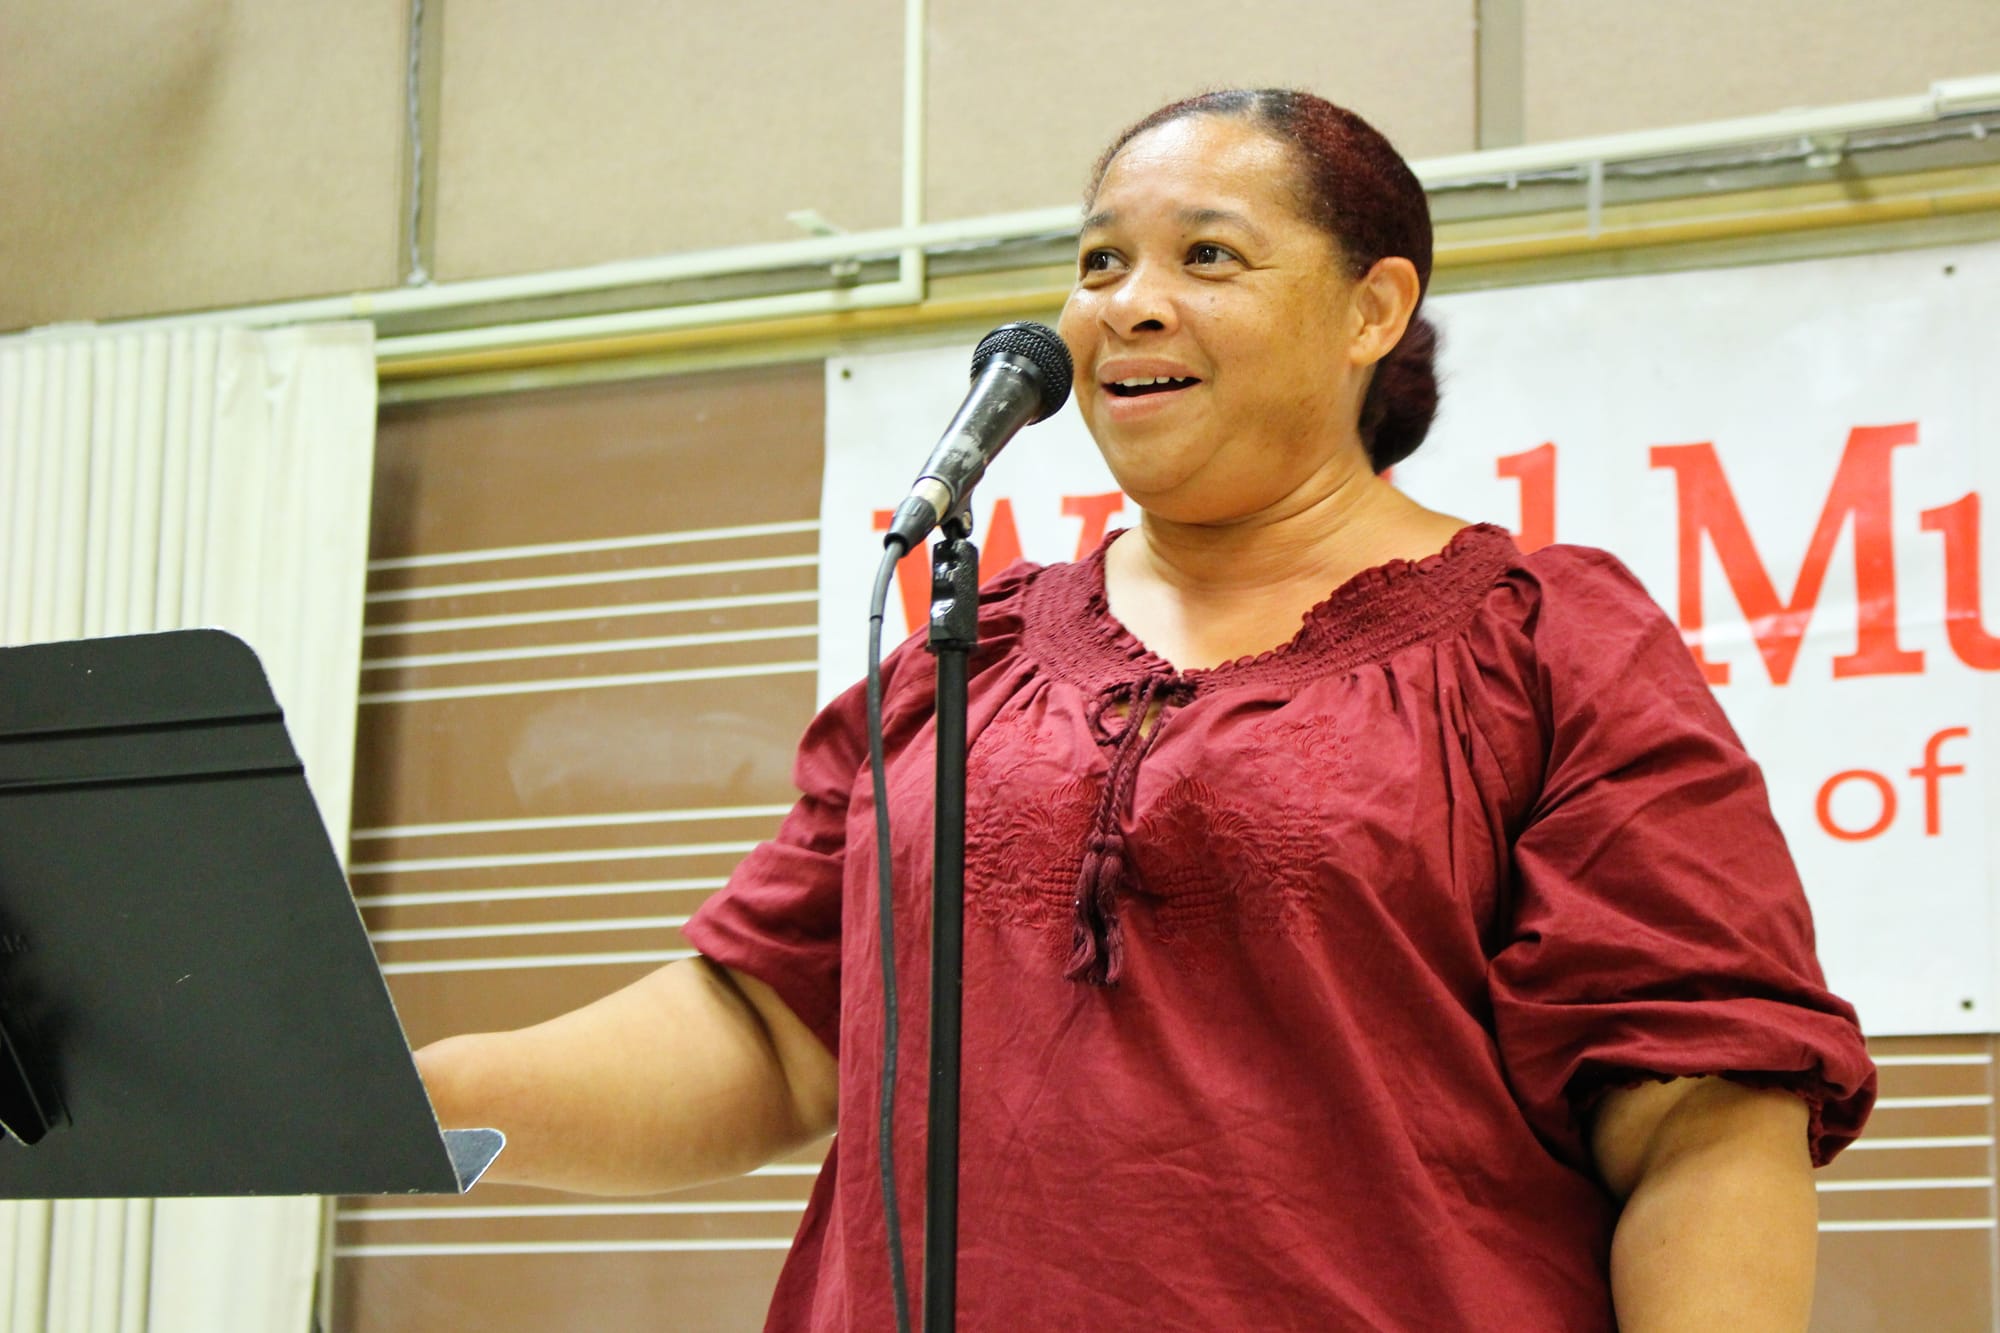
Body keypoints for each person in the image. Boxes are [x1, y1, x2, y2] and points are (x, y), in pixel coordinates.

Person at [417, 88, 1876, 1330]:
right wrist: (406, 1097)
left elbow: (1706, 1107)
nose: (1129, 302)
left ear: (1374, 307)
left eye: (1209, 255)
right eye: (1100, 259)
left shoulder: (1544, 644)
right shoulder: (959, 657)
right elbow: (777, 1029)